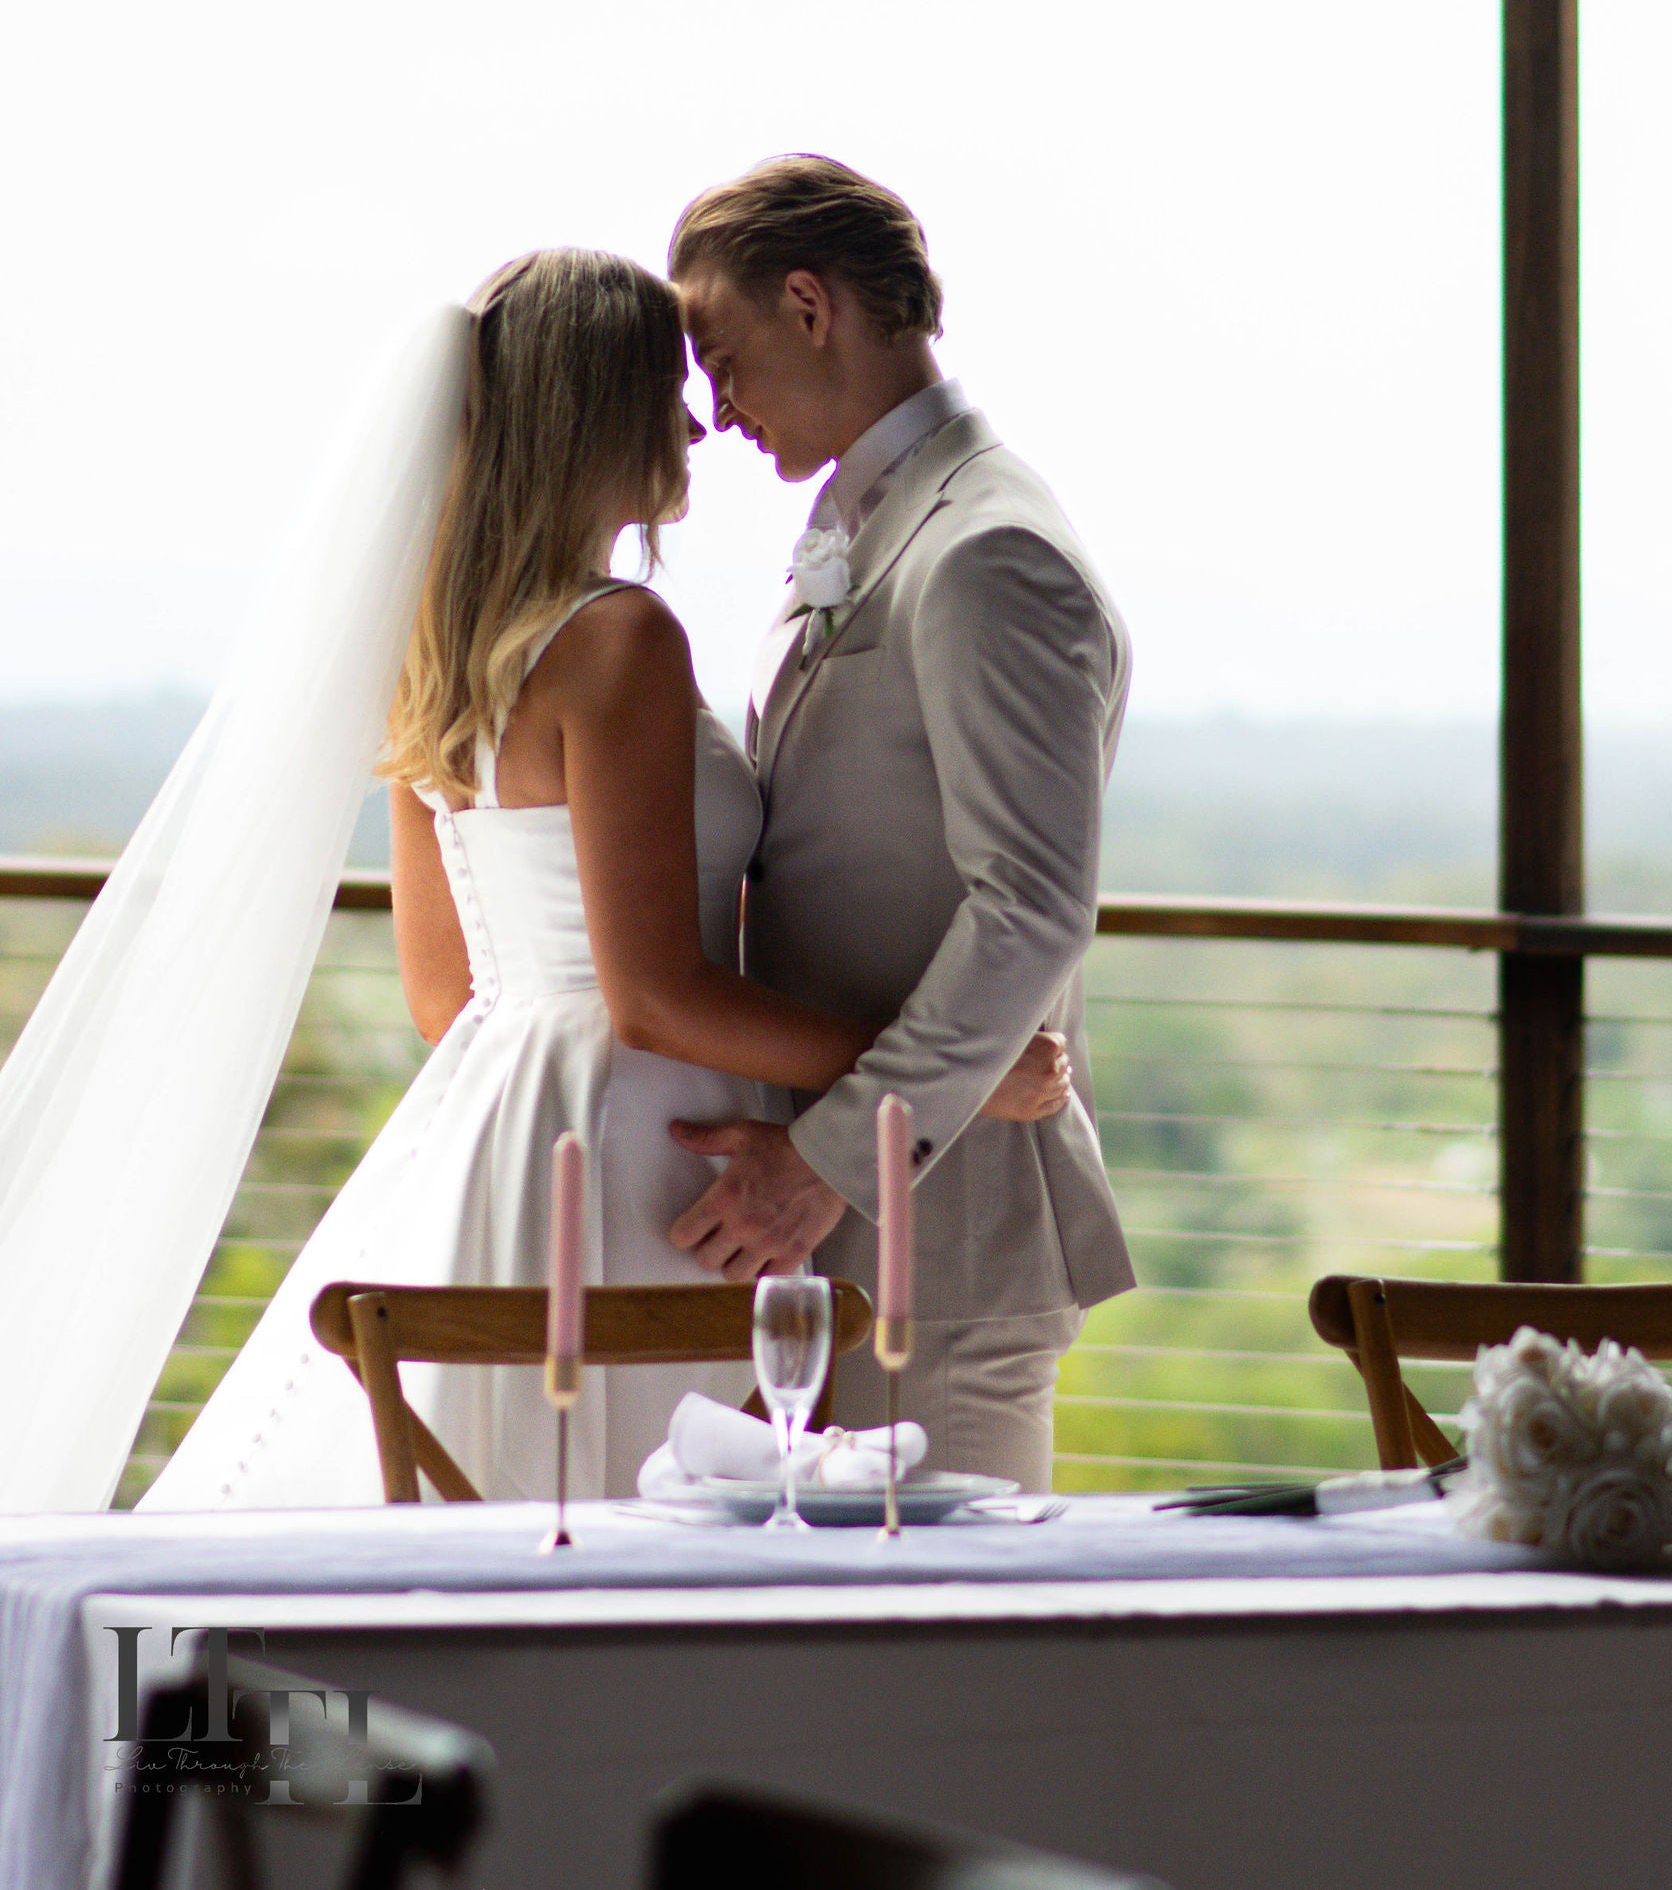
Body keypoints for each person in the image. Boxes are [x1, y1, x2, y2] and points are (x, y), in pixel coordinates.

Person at [142, 249, 1065, 1509]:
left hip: (499, 1130)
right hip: (644, 1146)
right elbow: (653, 997)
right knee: (673, 1510)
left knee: (514, 1493)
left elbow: (442, 994)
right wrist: (944, 1076)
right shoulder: (619, 636)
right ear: (595, 413)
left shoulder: (437, 642)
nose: (696, 421)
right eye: (665, 391)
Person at [666, 157, 1136, 1493]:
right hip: (847, 1233)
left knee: (942, 1616)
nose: (714, 409)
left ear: (810, 305)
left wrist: (827, 1160)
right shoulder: (871, 519)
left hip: (949, 1235)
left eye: (722, 356)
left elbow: (1031, 908)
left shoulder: (989, 547)